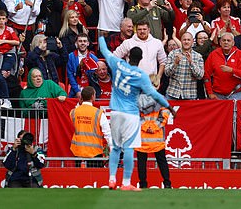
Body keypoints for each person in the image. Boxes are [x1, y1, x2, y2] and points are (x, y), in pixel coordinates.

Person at [98, 38, 175, 192]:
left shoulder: (117, 64)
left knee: (115, 148)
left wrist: (101, 35)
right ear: (140, 60)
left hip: (115, 111)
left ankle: (112, 179)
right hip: (131, 114)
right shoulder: (141, 75)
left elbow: (105, 51)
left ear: (127, 57)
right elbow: (154, 94)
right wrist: (169, 106)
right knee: (128, 149)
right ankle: (126, 183)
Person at [70, 86, 111, 167]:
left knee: (79, 178)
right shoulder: (99, 113)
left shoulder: (73, 112)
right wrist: (113, 149)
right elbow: (107, 133)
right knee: (95, 178)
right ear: (92, 96)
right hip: (94, 152)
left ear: (81, 97)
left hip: (78, 151)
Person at [136, 94, 172, 189]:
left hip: (142, 137)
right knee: (162, 161)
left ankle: (143, 184)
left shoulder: (136, 99)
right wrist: (154, 127)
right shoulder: (160, 99)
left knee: (142, 162)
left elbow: (135, 116)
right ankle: (167, 183)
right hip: (157, 137)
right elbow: (165, 115)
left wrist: (146, 127)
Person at [203, 32, 241, 99]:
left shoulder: (239, 54)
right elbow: (206, 75)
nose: (226, 42)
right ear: (220, 42)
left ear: (233, 43)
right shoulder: (213, 54)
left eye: (228, 40)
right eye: (224, 40)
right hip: (217, 94)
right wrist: (210, 93)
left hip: (235, 93)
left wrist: (231, 70)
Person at [164, 32, 204, 100]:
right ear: (181, 41)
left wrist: (191, 63)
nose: (186, 42)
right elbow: (167, 73)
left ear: (192, 41)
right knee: (168, 111)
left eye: (188, 40)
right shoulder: (173, 53)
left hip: (190, 95)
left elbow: (200, 76)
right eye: (184, 40)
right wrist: (175, 64)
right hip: (172, 94)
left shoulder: (198, 56)